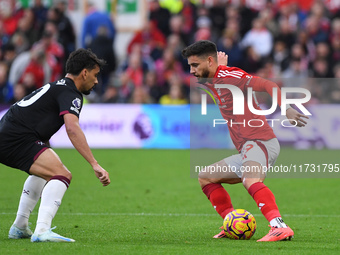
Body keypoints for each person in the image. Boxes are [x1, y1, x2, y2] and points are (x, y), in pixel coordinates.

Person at [182, 40, 308, 242]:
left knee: (251, 180)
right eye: (190, 66)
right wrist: (219, 66)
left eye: (195, 65)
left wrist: (287, 108)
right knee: (206, 177)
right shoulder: (213, 77)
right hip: (247, 148)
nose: (191, 71)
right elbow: (217, 74)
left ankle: (279, 226)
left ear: (208, 61)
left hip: (259, 141)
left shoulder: (232, 77)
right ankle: (231, 224)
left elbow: (267, 84)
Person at [1, 48, 110, 242]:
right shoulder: (72, 93)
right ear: (84, 73)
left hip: (8, 134)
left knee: (45, 172)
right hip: (17, 137)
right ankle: (42, 230)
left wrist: (45, 149)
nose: (96, 81)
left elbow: (37, 120)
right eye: (95, 75)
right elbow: (72, 129)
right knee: (62, 174)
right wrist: (94, 163)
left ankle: (20, 226)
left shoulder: (57, 86)